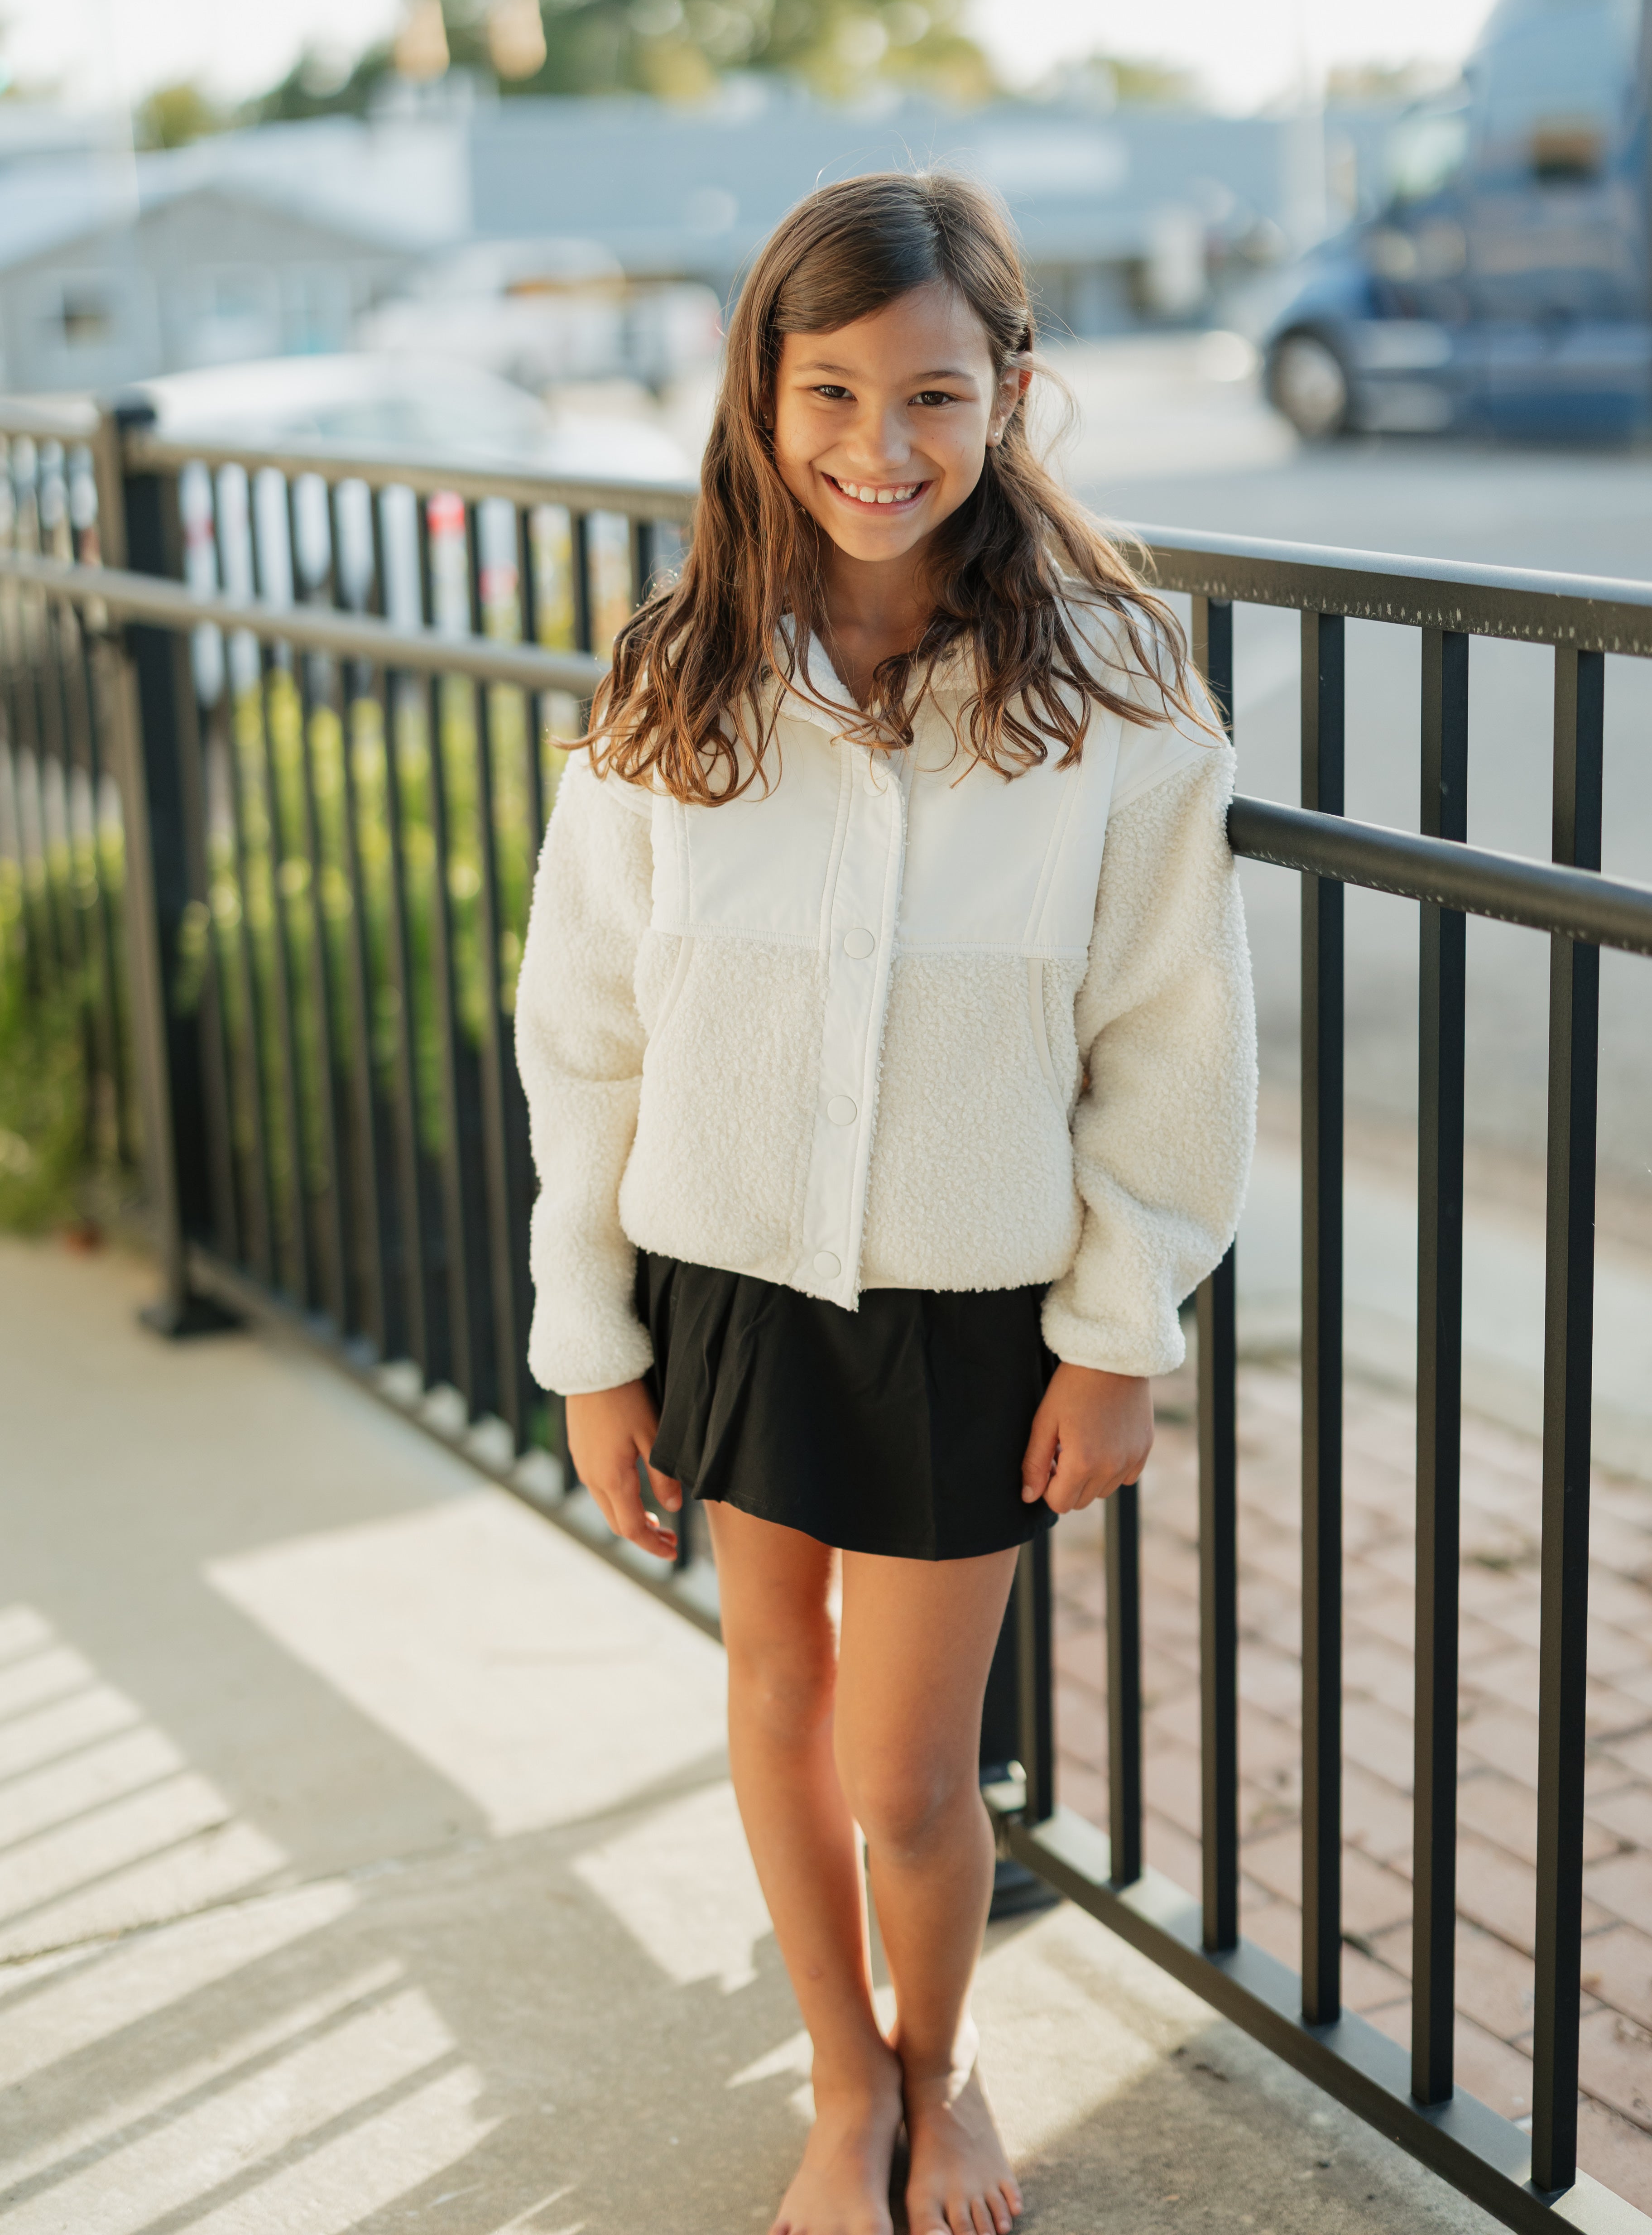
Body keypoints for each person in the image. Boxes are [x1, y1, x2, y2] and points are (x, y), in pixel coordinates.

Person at [515, 171, 1256, 2235]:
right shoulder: (679, 674)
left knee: (918, 1777)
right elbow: (581, 1033)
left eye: (932, 395)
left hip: (968, 1303)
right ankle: (846, 2084)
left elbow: (1175, 1040)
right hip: (728, 1279)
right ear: (761, 389)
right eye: (828, 392)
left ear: (1012, 393)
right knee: (774, 1691)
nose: (877, 448)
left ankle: (946, 2073)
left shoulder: (1116, 688)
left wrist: (1119, 1335)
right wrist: (595, 1346)